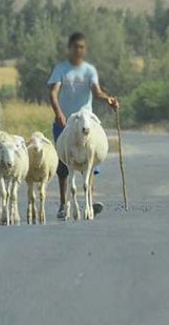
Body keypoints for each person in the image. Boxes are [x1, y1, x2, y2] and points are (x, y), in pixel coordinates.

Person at [47, 32, 119, 219]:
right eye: (75, 47)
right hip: (66, 122)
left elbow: (97, 92)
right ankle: (64, 204)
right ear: (70, 49)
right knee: (64, 166)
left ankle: (89, 200)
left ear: (84, 49)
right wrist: (59, 113)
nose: (78, 50)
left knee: (91, 161)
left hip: (87, 120)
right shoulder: (61, 69)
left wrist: (108, 99)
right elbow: (54, 93)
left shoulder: (89, 70)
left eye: (81, 47)